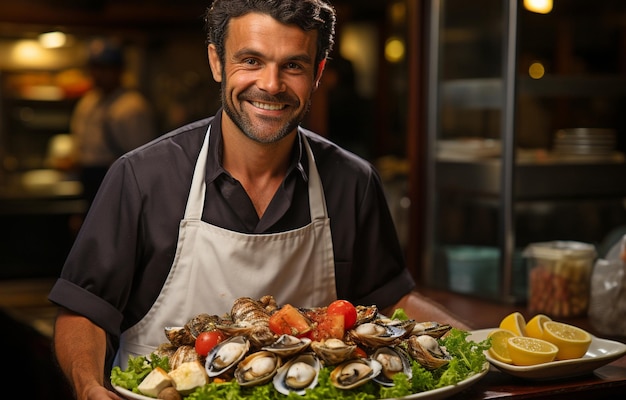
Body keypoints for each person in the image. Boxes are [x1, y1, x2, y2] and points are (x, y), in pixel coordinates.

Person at [48, 1, 470, 399]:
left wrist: (478, 349)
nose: (271, 85)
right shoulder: (142, 177)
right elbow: (85, 310)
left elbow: (390, 299)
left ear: (318, 72)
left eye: (293, 65)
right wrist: (89, 387)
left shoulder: (352, 181)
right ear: (217, 62)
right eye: (250, 60)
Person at [70, 38, 157, 204]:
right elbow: (80, 142)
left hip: (117, 181)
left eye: (104, 68)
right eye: (94, 68)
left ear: (119, 70)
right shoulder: (87, 102)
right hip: (88, 179)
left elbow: (145, 159)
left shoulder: (132, 106)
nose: (98, 74)